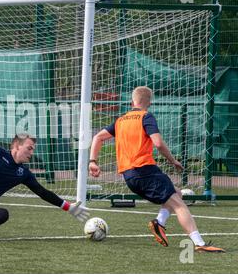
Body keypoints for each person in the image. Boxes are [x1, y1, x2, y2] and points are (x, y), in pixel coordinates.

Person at [88, 86, 225, 253]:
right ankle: (199, 243)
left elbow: (98, 137)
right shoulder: (146, 117)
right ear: (149, 103)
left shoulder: (120, 120)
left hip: (129, 177)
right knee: (179, 204)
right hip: (145, 171)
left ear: (132, 102)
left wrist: (93, 161)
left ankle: (159, 223)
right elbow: (158, 143)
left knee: (177, 193)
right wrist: (173, 160)